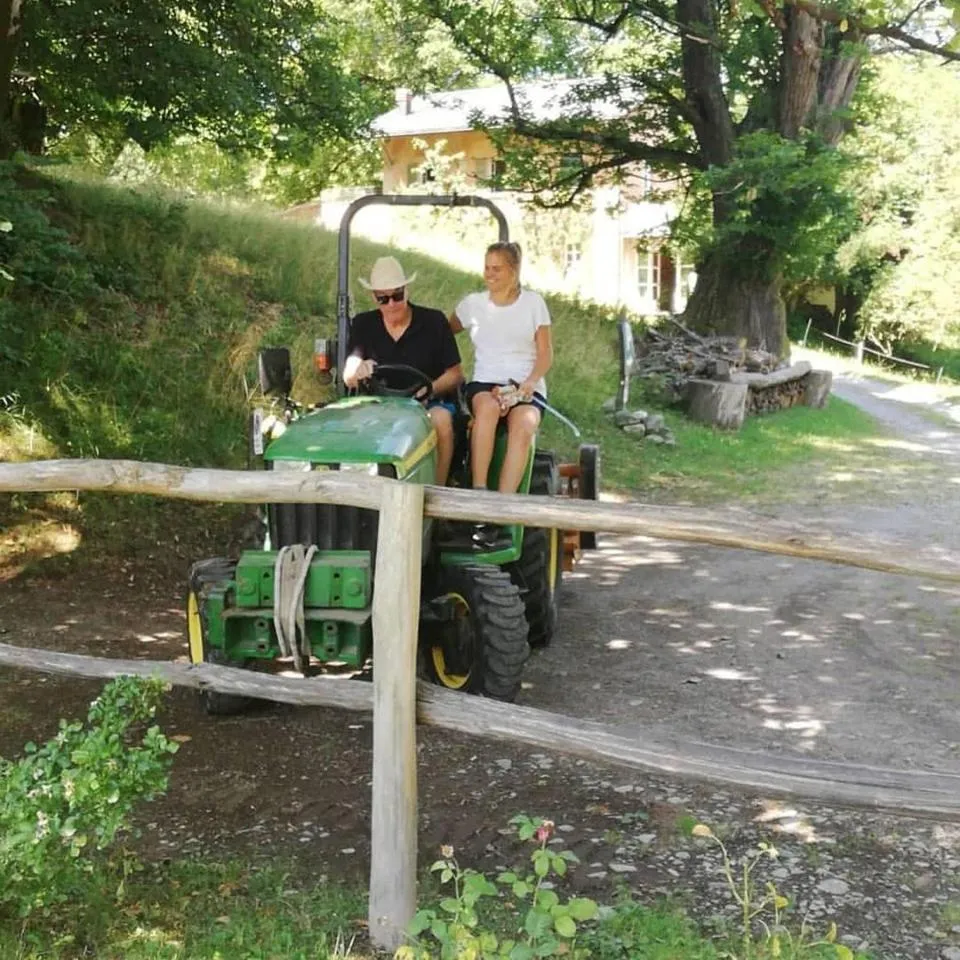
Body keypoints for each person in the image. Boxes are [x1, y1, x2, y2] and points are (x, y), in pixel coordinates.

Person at [343, 255, 462, 485]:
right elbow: (349, 374)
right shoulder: (364, 324)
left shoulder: (433, 321)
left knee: (441, 420)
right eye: (383, 298)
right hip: (378, 402)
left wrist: (429, 390)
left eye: (397, 296)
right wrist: (360, 369)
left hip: (427, 402)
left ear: (407, 291)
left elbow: (455, 374)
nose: (391, 304)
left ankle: (437, 490)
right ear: (374, 297)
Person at [449, 241, 553, 499]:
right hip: (486, 381)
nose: (489, 274)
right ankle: (479, 490)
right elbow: (442, 333)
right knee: (488, 408)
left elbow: (545, 353)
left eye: (497, 269)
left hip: (524, 386)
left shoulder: (533, 303)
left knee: (524, 424)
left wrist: (531, 381)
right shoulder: (473, 304)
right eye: (487, 268)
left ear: (513, 271)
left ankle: (504, 503)